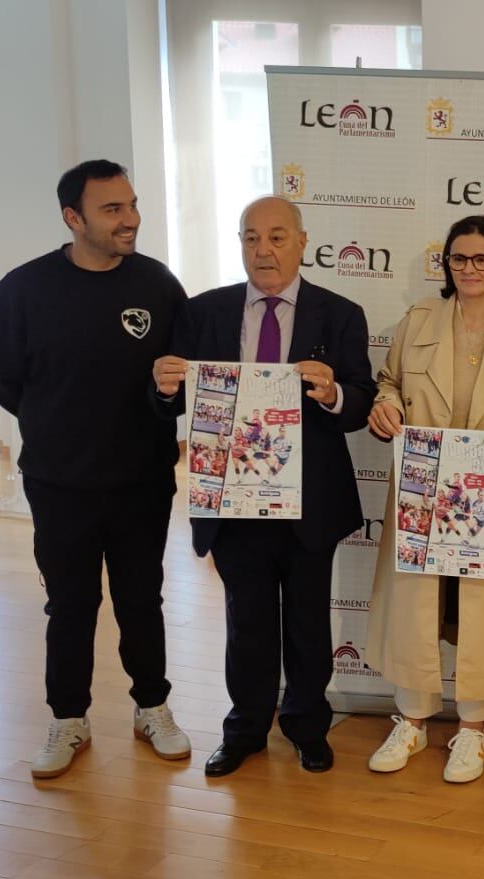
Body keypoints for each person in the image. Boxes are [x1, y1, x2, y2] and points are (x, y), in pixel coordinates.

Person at [0, 159, 192, 779]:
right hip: (60, 481)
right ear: (74, 219)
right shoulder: (23, 290)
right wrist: (53, 420)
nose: (130, 219)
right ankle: (68, 719)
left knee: (140, 600)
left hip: (143, 478)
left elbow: (180, 374)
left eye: (131, 205)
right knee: (70, 605)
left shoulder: (156, 283)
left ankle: (152, 707)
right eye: (112, 210)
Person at [151, 196, 376, 777]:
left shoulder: (340, 314)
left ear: (303, 242)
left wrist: (331, 393)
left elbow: (361, 403)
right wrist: (165, 388)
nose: (263, 249)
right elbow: (168, 405)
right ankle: (246, 728)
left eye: (277, 237)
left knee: (307, 621)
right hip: (234, 498)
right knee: (245, 622)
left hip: (311, 500)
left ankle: (307, 727)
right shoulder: (204, 314)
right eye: (251, 238)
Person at [364, 215, 484, 784]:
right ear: (446, 263)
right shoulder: (419, 318)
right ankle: (413, 718)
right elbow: (388, 382)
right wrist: (385, 406)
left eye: (482, 259)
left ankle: (473, 730)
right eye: (459, 259)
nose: (469, 269)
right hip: (424, 483)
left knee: (482, 609)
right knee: (418, 603)